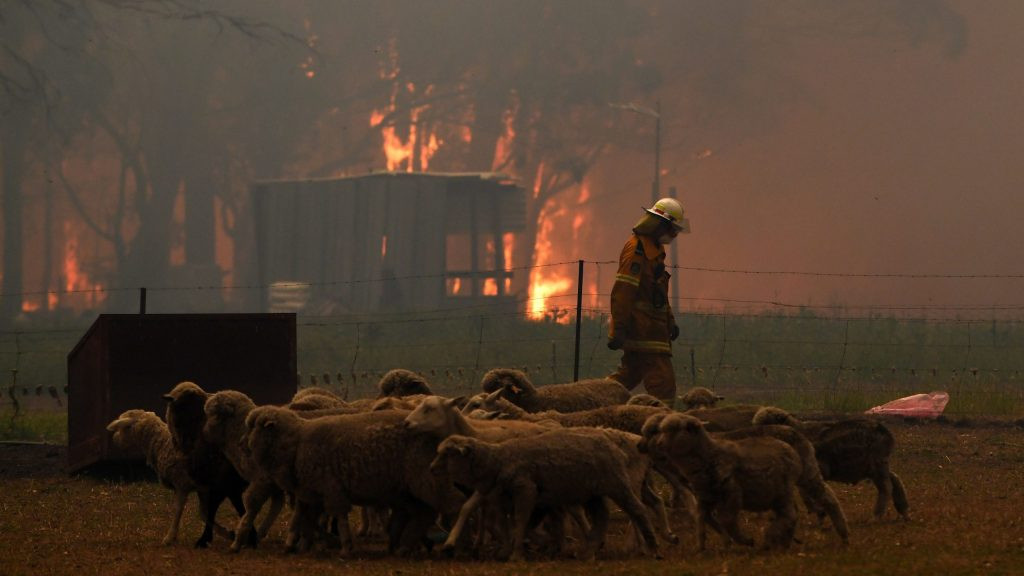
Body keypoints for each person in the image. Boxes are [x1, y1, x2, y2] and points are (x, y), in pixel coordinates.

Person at [607, 197, 690, 405]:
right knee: (663, 384)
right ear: (659, 225)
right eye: (672, 229)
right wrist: (619, 327)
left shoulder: (654, 250)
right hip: (643, 331)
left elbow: (657, 294)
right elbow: (623, 290)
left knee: (627, 376)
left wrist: (670, 320)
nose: (673, 235)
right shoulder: (637, 250)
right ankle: (663, 428)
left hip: (652, 329)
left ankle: (593, 402)